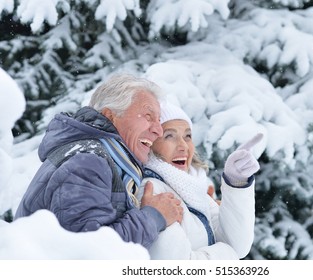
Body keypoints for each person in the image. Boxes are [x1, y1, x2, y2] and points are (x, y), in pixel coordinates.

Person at [14, 74, 183, 249]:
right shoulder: (88, 162)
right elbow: (91, 251)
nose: (158, 131)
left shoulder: (99, 158)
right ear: (110, 115)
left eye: (159, 120)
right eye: (148, 116)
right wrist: (154, 217)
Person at [138, 102, 262, 259]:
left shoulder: (192, 190)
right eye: (169, 136)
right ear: (151, 144)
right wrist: (228, 256)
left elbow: (238, 244)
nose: (183, 146)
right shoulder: (151, 190)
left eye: (187, 136)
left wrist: (237, 183)